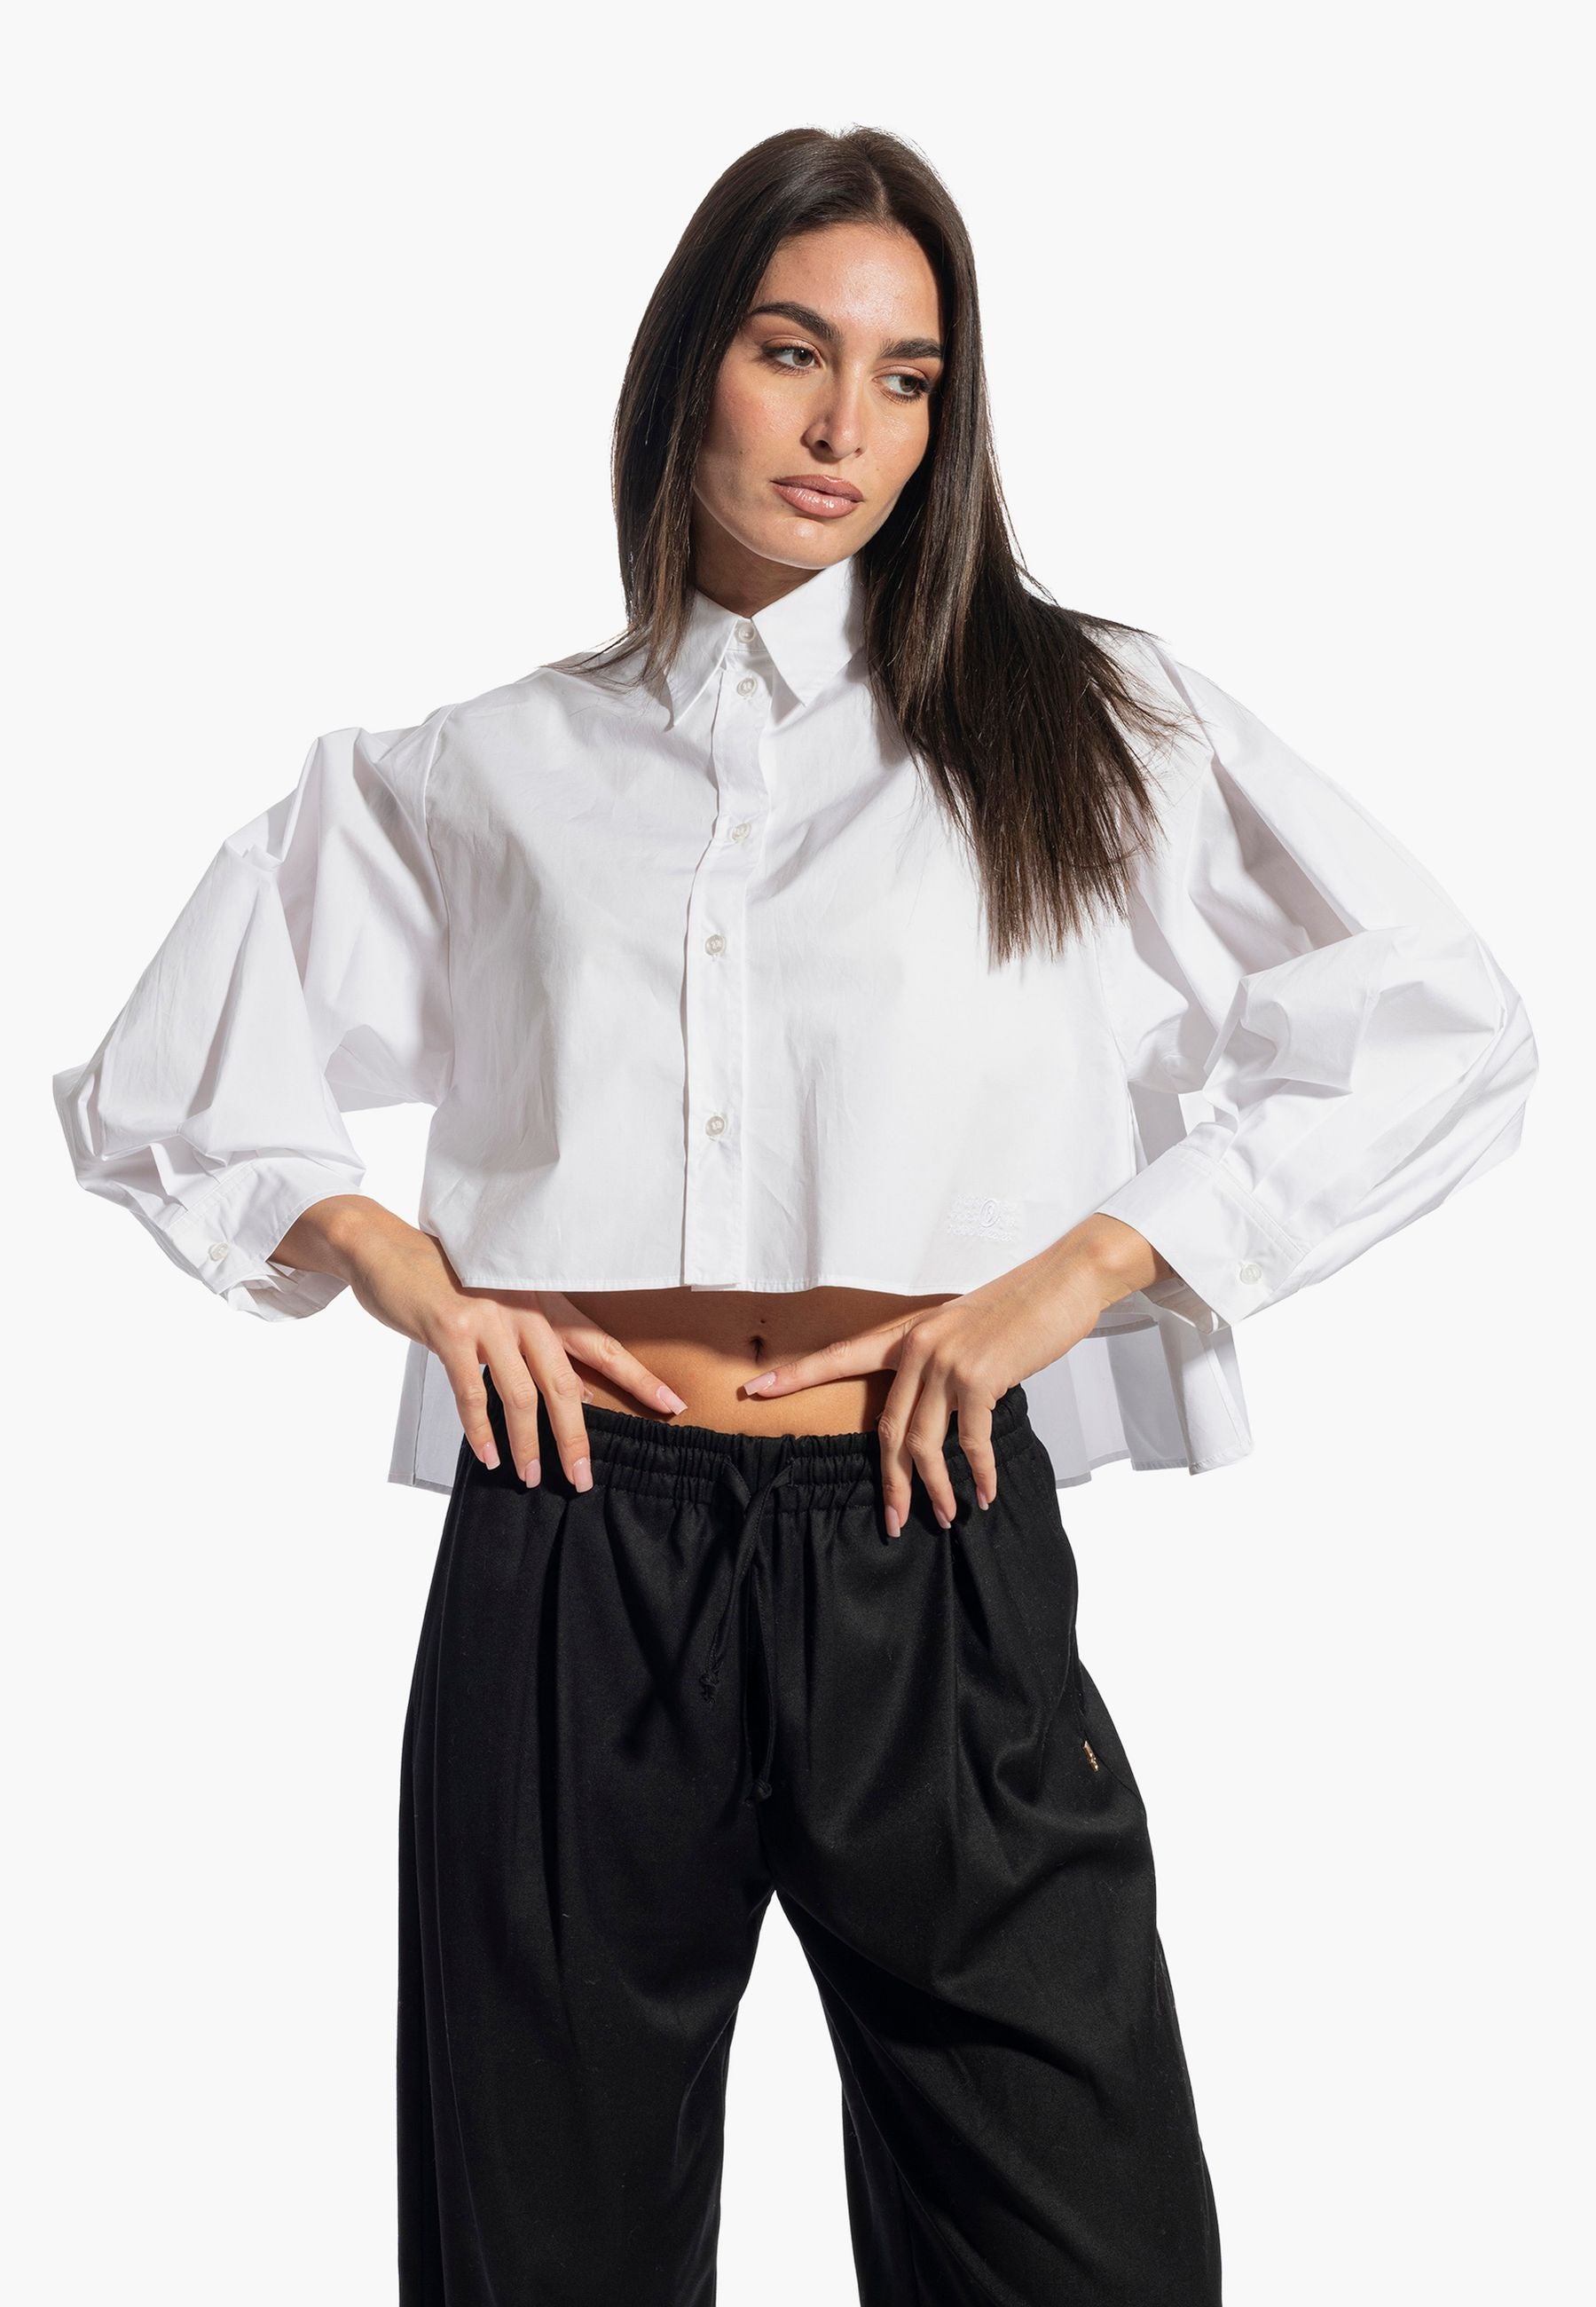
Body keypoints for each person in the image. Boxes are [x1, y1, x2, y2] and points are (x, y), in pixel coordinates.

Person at [51, 124, 1537, 2307]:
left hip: (931, 1536)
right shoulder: (482, 771)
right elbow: (161, 1080)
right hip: (571, 1549)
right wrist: (404, 1274)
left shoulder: (1082, 723)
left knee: (1084, 2247)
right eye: (792, 351)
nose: (850, 425)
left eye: (910, 376)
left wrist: (1082, 1273)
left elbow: (1439, 1022)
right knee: (541, 2261)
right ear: (689, 368)